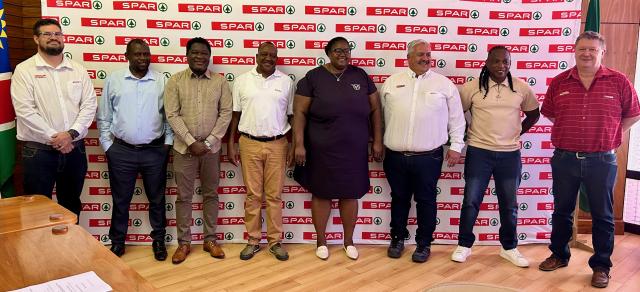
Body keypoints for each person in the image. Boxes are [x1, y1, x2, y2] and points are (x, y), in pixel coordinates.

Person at [538, 31, 640, 288]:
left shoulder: (619, 81)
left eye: (592, 49)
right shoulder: (560, 82)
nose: (587, 53)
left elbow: (633, 114)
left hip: (601, 161)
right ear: (575, 50)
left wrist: (613, 134)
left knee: (603, 215)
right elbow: (551, 114)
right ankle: (559, 255)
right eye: (582, 49)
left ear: (602, 52)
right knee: (561, 211)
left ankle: (601, 265)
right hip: (564, 159)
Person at [293, 36, 383, 260]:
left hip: (354, 150)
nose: (343, 54)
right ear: (328, 53)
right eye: (337, 50)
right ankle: (321, 241)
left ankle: (349, 241)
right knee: (321, 194)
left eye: (347, 50)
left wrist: (378, 140)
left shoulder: (360, 75)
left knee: (350, 194)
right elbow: (300, 113)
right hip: (321, 149)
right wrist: (299, 144)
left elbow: (375, 110)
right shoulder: (313, 77)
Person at [451, 46, 540, 267]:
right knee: (471, 201)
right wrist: (463, 135)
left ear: (510, 63)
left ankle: (509, 248)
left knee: (509, 204)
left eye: (505, 62)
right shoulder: (472, 88)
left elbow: (534, 114)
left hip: (510, 155)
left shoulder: (521, 87)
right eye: (496, 61)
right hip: (479, 152)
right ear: (487, 62)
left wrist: (517, 132)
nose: (501, 66)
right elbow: (455, 116)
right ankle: (464, 245)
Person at [380, 39, 465, 263]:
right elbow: (379, 118)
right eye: (420, 55)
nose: (425, 58)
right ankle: (397, 238)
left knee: (426, 201)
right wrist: (377, 143)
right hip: (395, 157)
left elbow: (457, 120)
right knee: (399, 199)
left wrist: (456, 146)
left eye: (428, 54)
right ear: (408, 57)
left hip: (429, 157)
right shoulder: (391, 82)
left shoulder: (444, 85)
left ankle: (423, 244)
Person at [10, 18, 96, 217]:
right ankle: (41, 249)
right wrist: (57, 137)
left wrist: (71, 134)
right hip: (38, 152)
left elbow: (89, 105)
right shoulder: (25, 70)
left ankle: (68, 248)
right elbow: (25, 111)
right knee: (37, 209)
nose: (53, 38)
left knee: (71, 203)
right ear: (36, 39)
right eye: (47, 34)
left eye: (57, 34)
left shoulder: (78, 69)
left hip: (74, 149)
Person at [97, 39, 173, 261]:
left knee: (157, 199)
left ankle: (159, 241)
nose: (143, 58)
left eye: (146, 54)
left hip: (155, 151)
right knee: (121, 200)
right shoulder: (114, 80)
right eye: (138, 54)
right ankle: (118, 242)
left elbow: (169, 116)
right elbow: (104, 116)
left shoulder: (161, 81)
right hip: (121, 152)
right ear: (126, 56)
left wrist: (166, 144)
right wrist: (107, 146)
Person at [164, 37, 232, 264]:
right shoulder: (175, 81)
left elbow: (226, 113)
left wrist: (210, 141)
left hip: (211, 151)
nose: (200, 57)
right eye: (195, 53)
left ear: (209, 56)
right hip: (185, 149)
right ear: (187, 55)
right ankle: (184, 243)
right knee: (184, 197)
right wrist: (191, 141)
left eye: (204, 53)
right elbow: (172, 114)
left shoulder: (220, 82)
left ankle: (210, 239)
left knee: (211, 194)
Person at [227, 42, 294, 261]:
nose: (268, 58)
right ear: (256, 56)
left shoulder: (286, 82)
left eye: (272, 55)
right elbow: (235, 115)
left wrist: (293, 145)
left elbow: (292, 116)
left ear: (277, 58)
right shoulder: (242, 81)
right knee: (253, 196)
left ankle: (275, 242)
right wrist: (231, 143)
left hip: (278, 143)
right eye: (264, 54)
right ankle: (253, 240)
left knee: (274, 196)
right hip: (248, 143)